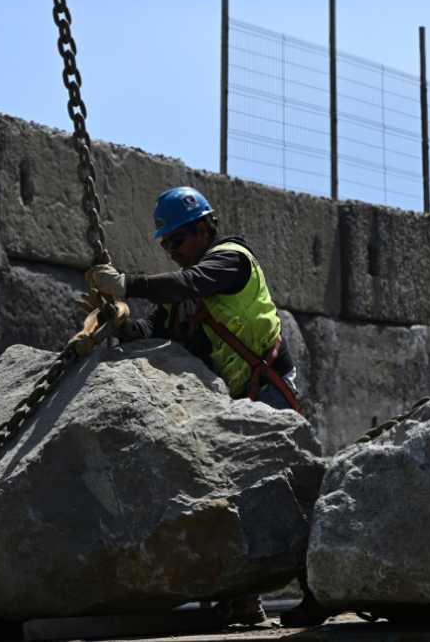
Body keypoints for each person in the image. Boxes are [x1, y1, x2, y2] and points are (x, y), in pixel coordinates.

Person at [85, 186, 328, 627]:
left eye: (176, 241)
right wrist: (117, 324)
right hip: (236, 404)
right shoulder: (187, 298)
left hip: (269, 392)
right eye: (166, 244)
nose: (172, 251)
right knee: (237, 499)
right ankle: (244, 601)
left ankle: (318, 594)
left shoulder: (230, 260)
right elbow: (154, 330)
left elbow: (188, 283)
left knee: (292, 494)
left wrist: (128, 284)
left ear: (202, 229)